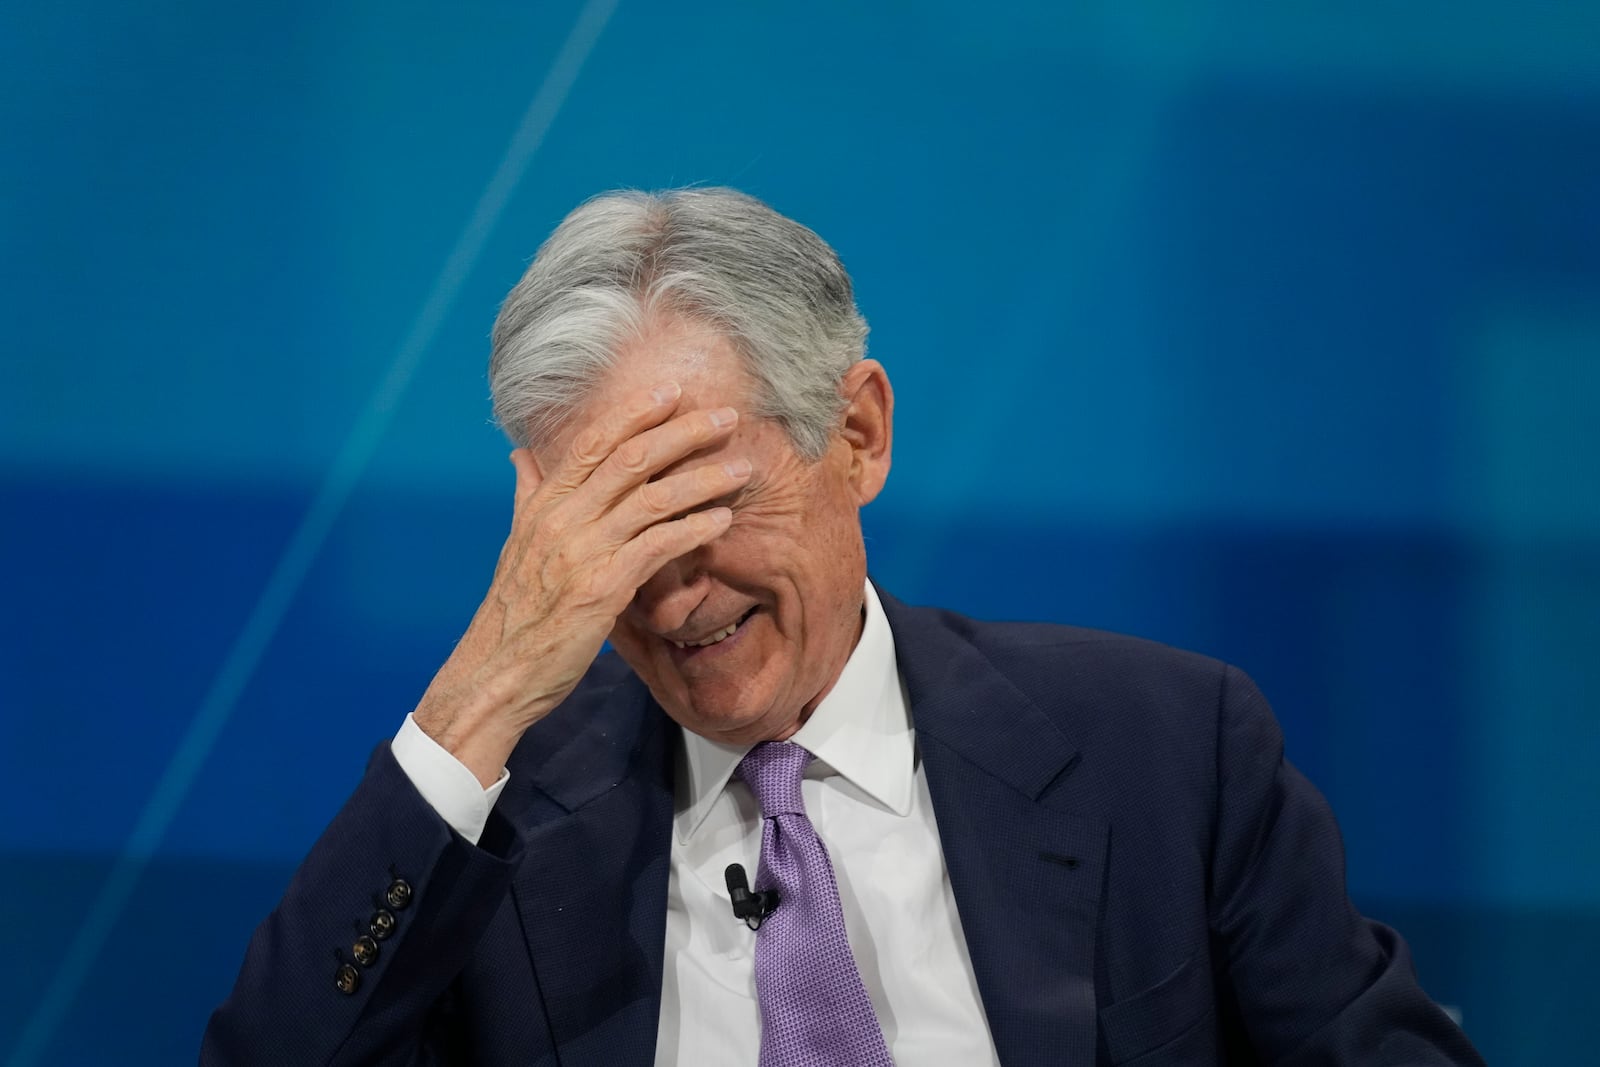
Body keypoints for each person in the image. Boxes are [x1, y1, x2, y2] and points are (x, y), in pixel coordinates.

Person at [203, 188, 1483, 1066]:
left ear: (856, 433)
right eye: (609, 533)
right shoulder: (486, 834)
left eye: (699, 499)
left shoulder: (1168, 751)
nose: (670, 593)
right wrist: (483, 690)